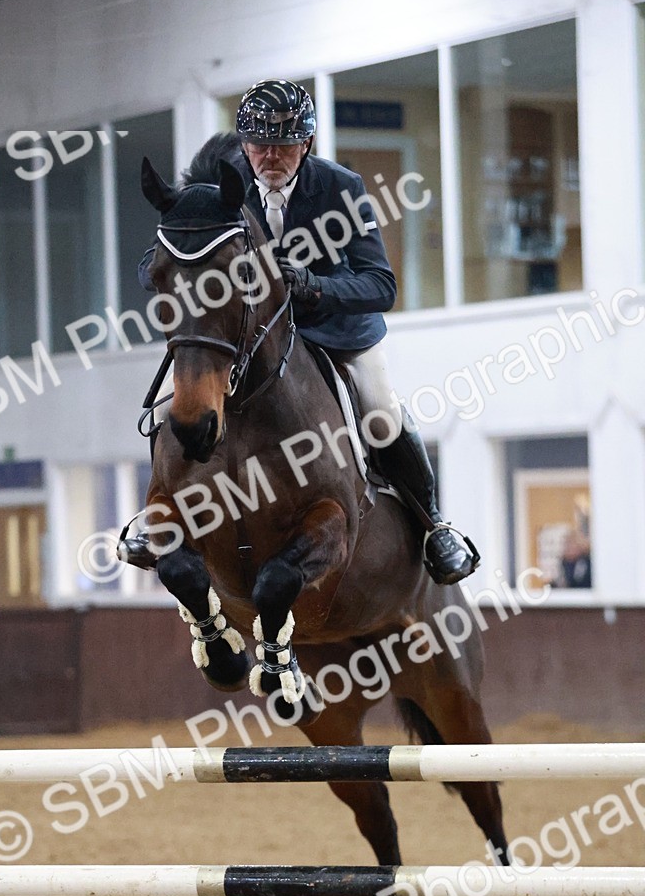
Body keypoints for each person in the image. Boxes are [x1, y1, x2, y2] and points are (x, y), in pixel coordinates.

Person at [124, 79, 479, 586]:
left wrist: (314, 285)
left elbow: (380, 284)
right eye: (259, 144)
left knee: (380, 407)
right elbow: (157, 259)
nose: (270, 156)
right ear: (244, 144)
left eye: (283, 144)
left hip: (334, 332)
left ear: (306, 143)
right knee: (169, 398)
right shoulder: (223, 191)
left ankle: (433, 525)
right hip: (250, 338)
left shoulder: (339, 187)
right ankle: (153, 514)